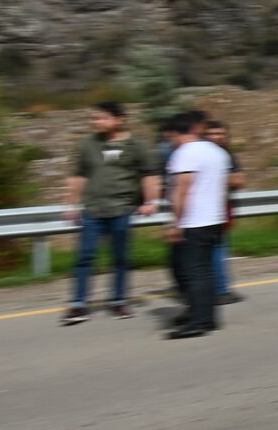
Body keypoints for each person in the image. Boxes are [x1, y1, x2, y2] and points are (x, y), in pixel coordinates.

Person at [61, 102, 160, 325]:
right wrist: (71, 204)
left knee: (120, 258)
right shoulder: (88, 144)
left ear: (119, 120)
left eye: (101, 118)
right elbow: (78, 176)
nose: (96, 122)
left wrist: (151, 201)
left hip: (122, 209)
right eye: (94, 119)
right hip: (93, 210)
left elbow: (149, 175)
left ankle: (119, 301)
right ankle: (78, 305)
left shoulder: (136, 145)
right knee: (85, 257)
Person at [163, 112, 231, 339]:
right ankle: (201, 314)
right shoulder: (217, 151)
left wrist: (176, 223)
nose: (171, 140)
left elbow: (183, 189)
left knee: (193, 272)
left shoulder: (185, 153)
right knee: (202, 271)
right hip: (214, 219)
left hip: (193, 221)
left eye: (171, 135)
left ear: (180, 132)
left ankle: (200, 321)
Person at [204, 119, 246, 304]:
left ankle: (219, 289)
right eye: (212, 133)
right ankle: (219, 289)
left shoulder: (228, 155)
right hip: (205, 207)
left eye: (220, 134)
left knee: (218, 247)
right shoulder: (200, 153)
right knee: (214, 248)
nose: (216, 137)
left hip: (222, 206)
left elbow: (239, 181)